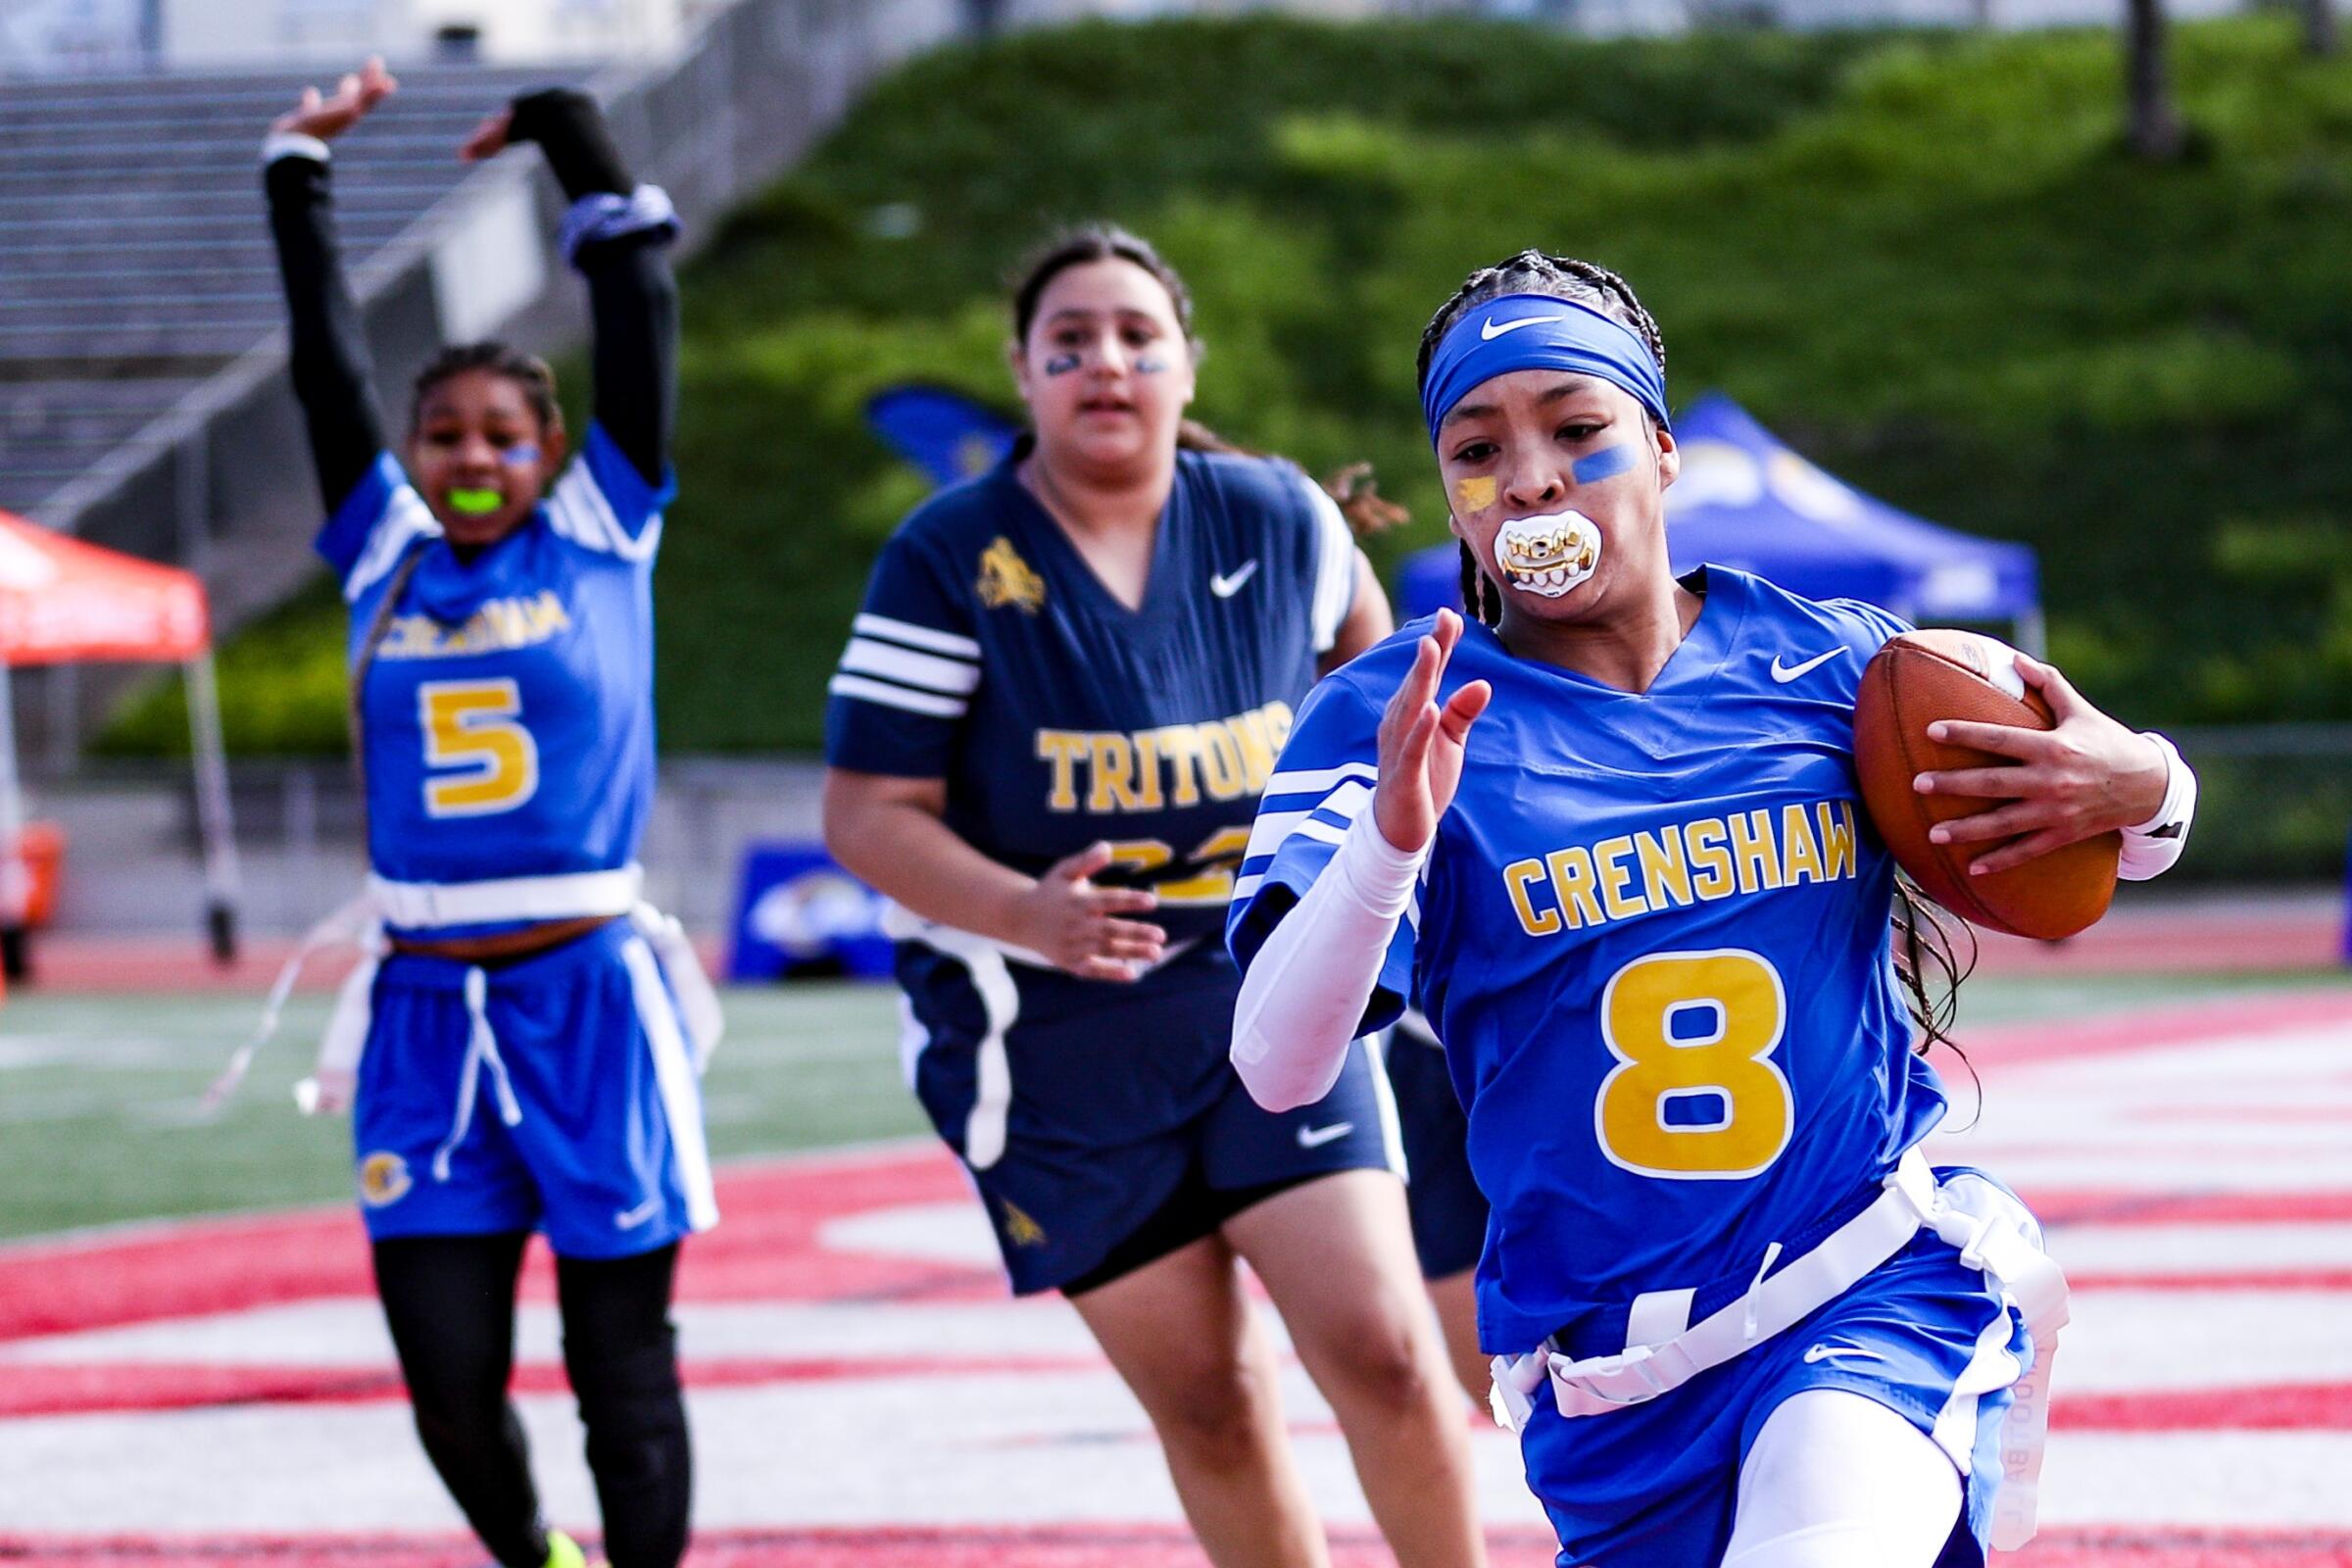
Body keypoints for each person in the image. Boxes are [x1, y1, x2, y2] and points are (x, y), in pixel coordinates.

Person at [1226, 250, 2199, 1568]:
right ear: (1452, 499)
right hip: (1621, 1391)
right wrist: (1390, 844)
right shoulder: (1397, 715)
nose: (1529, 478)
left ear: (1664, 449)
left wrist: (2148, 780)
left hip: (1866, 1283)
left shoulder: (1843, 667)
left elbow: (2114, 854)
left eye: (1578, 430)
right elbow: (1279, 1067)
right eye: (1478, 449)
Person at [821, 225, 1487, 1568]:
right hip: (1052, 1038)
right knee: (1213, 1402)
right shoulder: (949, 556)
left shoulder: (1281, 518)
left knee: (1387, 1354)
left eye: (1136, 336)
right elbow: (863, 813)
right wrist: (1028, 912)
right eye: (1068, 343)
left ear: (1187, 363)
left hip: (1270, 1003)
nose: (1104, 364)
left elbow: (1401, 725)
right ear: (1023, 376)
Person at [261, 59, 715, 1568]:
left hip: (588, 990)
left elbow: (640, 306)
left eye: (503, 437)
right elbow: (326, 365)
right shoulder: (381, 548)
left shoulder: (604, 526)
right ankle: (536, 1561)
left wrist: (568, 134)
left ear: (550, 453)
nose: (470, 460)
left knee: (619, 1372)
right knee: (450, 1381)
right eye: (442, 435)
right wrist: (297, 169)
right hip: (423, 1013)